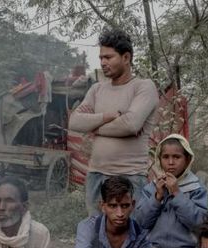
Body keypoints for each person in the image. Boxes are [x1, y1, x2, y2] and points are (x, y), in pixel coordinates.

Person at [68, 28, 159, 215]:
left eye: (109, 57)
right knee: (96, 230)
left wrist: (94, 127)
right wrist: (105, 117)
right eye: (101, 58)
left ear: (126, 58)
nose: (103, 62)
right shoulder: (97, 89)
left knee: (129, 233)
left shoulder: (144, 87)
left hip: (130, 176)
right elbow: (75, 122)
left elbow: (130, 124)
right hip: (96, 174)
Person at [134, 134, 208, 248]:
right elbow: (141, 222)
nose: (171, 162)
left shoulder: (195, 189)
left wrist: (176, 193)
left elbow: (199, 223)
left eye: (177, 157)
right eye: (166, 157)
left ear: (187, 159)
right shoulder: (152, 188)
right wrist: (157, 197)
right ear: (159, 159)